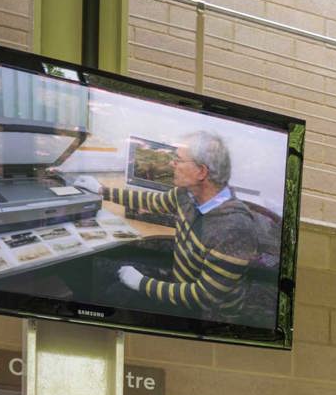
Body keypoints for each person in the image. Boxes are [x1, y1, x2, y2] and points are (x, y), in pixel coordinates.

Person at [75, 131, 262, 318]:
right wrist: (101, 190)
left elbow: (204, 297)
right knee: (105, 275)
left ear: (201, 172)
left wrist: (141, 283)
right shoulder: (186, 195)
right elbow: (152, 201)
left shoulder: (235, 230)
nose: (172, 163)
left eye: (179, 160)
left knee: (111, 296)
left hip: (206, 316)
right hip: (179, 281)